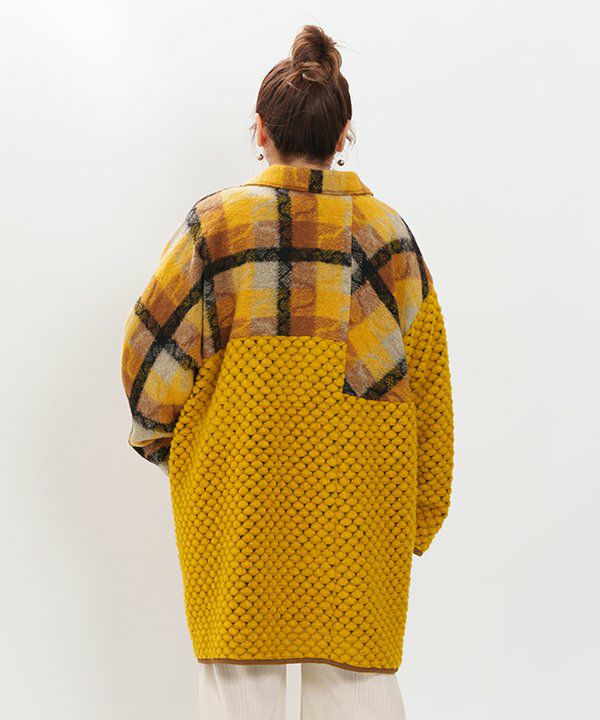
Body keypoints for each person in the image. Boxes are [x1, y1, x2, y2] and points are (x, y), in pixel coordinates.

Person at [121, 24, 455, 720]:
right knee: (360, 690)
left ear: (261, 130)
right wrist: (418, 517)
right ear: (343, 135)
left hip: (238, 501)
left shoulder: (217, 229)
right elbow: (430, 390)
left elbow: (148, 355)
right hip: (358, 519)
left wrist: (169, 445)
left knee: (239, 692)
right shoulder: (389, 239)